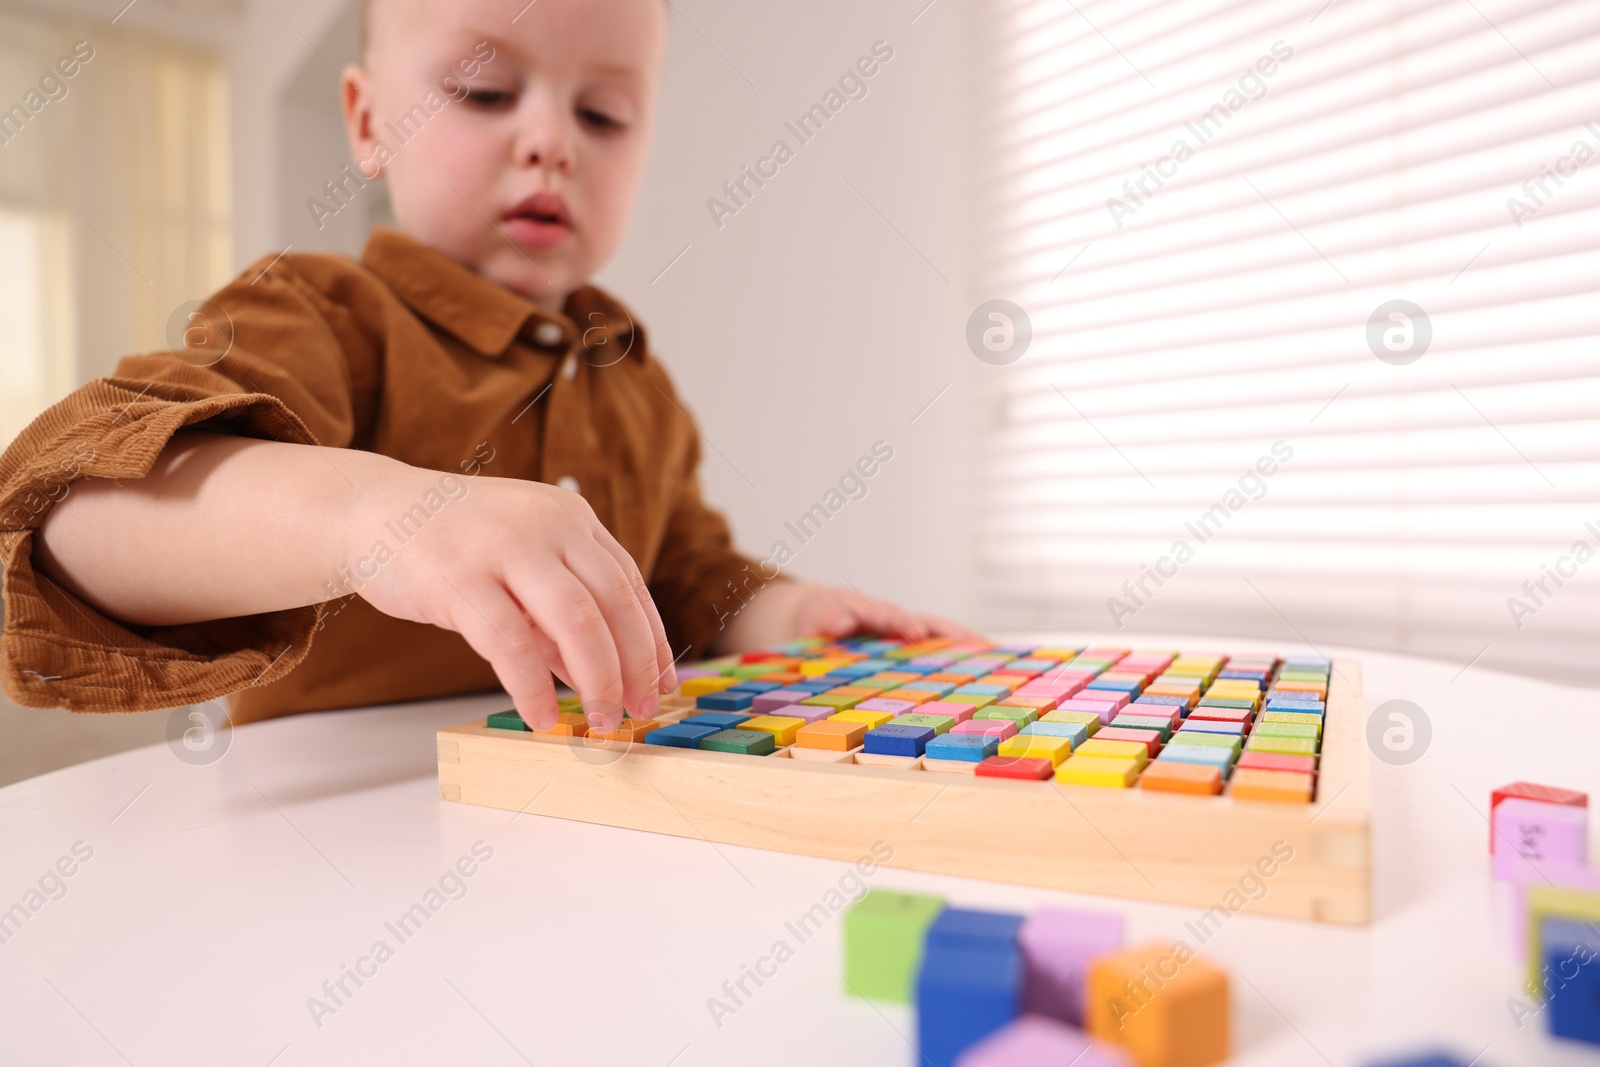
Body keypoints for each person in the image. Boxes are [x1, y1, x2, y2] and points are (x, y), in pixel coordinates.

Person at [0, 0, 967, 732]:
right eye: (484, 91)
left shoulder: (635, 380)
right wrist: (373, 518)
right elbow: (63, 516)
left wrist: (793, 611)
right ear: (370, 122)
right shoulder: (321, 315)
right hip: (330, 861)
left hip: (585, 838)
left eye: (604, 113)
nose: (549, 143)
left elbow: (683, 583)